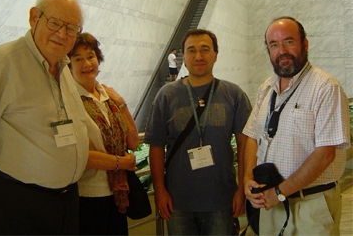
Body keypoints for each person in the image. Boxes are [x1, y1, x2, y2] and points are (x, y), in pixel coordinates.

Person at [0, 0, 134, 235]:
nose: (62, 34)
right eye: (55, 23)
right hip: (17, 201)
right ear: (34, 17)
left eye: (72, 28)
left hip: (65, 201)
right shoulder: (3, 62)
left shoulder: (64, 68)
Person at [243, 16, 351, 235]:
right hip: (270, 204)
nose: (281, 50)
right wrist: (247, 179)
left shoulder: (325, 87)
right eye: (274, 45)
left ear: (305, 44)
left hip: (311, 205)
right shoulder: (266, 88)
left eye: (289, 42)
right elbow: (253, 136)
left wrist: (281, 192)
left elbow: (325, 153)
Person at [144, 29, 252, 235]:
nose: (199, 56)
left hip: (222, 200)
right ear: (183, 57)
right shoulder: (166, 95)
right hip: (178, 202)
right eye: (191, 51)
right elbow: (156, 146)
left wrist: (241, 189)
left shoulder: (234, 94)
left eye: (205, 50)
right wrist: (160, 191)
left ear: (215, 55)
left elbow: (245, 143)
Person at [68, 32, 140, 235]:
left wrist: (122, 103)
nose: (86, 64)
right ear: (69, 65)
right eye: (78, 59)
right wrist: (122, 163)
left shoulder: (108, 95)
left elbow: (133, 142)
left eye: (90, 56)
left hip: (117, 194)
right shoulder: (70, 101)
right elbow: (79, 154)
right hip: (87, 196)